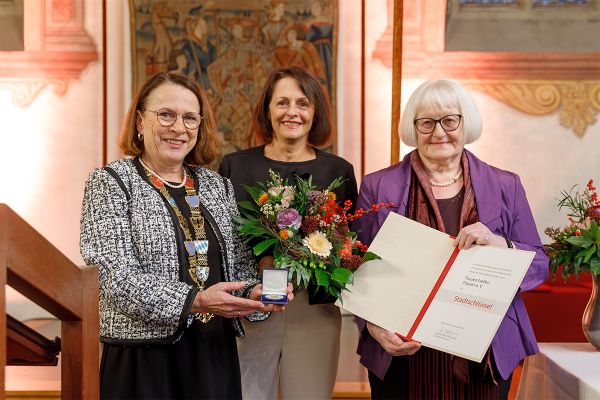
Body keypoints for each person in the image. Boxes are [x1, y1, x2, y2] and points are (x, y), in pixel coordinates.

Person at [80, 72, 292, 399]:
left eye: (190, 118)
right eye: (166, 115)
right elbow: (114, 277)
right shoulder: (111, 182)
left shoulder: (217, 186)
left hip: (212, 354)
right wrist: (195, 300)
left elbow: (240, 271)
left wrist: (255, 294)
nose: (178, 128)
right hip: (143, 361)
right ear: (139, 121)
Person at [351, 79, 548, 400]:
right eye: (426, 123)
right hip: (401, 346)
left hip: (483, 348)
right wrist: (373, 326)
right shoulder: (378, 185)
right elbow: (354, 266)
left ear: (465, 122)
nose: (438, 132)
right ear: (412, 128)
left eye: (449, 120)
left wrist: (501, 244)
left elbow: (540, 265)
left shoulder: (505, 185)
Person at [219, 66, 358, 399]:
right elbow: (221, 241)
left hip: (314, 311)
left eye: (302, 103)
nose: (291, 112)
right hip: (250, 307)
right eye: (282, 102)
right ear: (268, 109)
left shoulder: (337, 171)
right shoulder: (235, 167)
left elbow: (349, 247)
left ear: (315, 113)